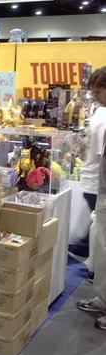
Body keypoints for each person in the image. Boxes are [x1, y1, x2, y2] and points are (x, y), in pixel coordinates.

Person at [76, 66, 106, 330]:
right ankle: (103, 299)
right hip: (102, 189)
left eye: (98, 92)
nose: (96, 97)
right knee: (101, 247)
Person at [70, 67, 106, 260]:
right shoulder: (102, 114)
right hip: (95, 182)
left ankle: (87, 253)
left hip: (97, 182)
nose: (96, 97)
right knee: (98, 225)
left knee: (98, 226)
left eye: (98, 92)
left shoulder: (102, 116)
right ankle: (88, 255)